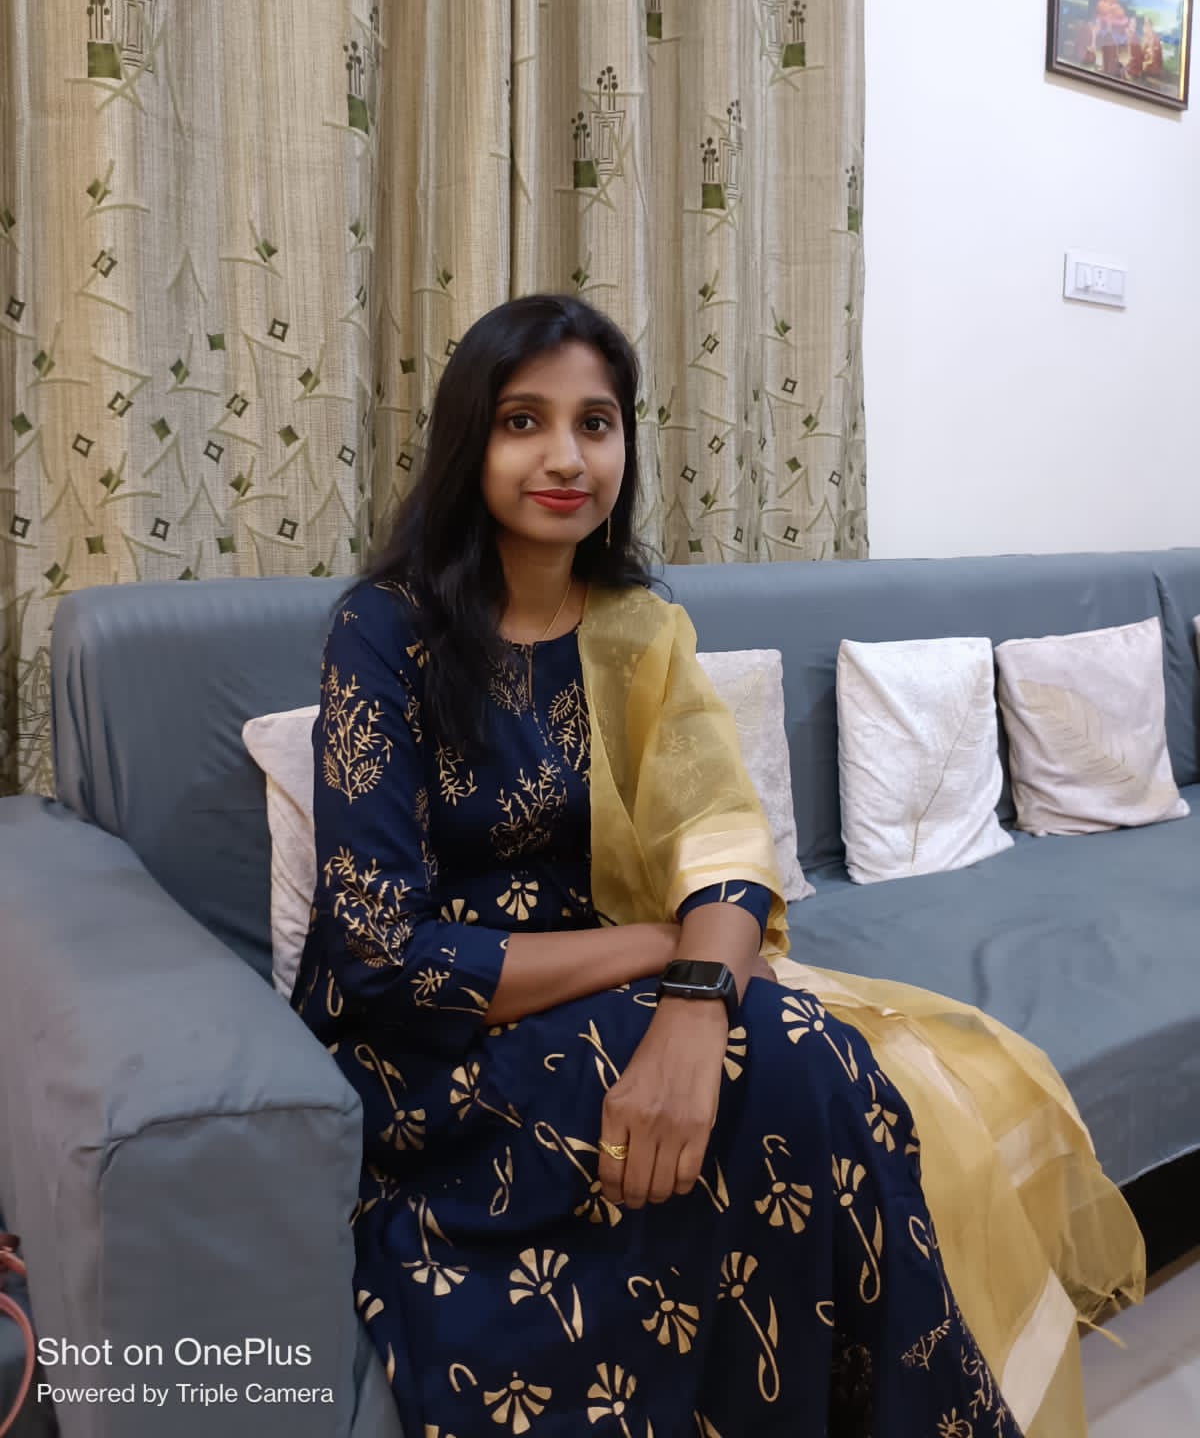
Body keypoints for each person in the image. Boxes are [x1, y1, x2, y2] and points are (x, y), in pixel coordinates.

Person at [292, 295, 1141, 1436]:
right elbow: (382, 954)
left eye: (596, 423)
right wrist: (663, 949)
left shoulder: (639, 628)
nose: (565, 456)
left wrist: (694, 1002)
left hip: (620, 998)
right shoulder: (384, 630)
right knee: (795, 1057)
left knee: (802, 1060)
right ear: (468, 444)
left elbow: (727, 848)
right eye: (523, 421)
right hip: (438, 1043)